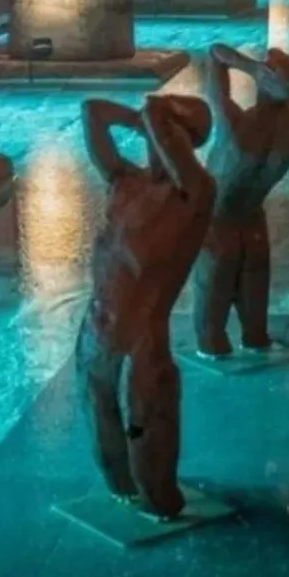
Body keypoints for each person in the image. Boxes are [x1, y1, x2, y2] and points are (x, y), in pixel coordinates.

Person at [77, 94, 215, 520]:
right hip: (96, 324)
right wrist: (143, 118)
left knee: (148, 429)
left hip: (142, 336)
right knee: (98, 414)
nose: (158, 137)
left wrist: (158, 117)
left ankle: (160, 499)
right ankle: (121, 490)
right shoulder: (125, 181)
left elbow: (175, 153)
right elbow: (92, 111)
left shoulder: (194, 196)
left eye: (171, 129)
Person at [194, 43, 289, 358]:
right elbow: (287, 88)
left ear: (266, 79)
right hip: (252, 216)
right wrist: (268, 76)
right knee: (254, 285)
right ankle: (255, 339)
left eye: (267, 65)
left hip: (218, 218)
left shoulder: (236, 126)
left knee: (213, 296)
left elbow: (214, 56)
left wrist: (248, 67)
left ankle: (212, 346)